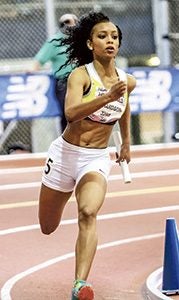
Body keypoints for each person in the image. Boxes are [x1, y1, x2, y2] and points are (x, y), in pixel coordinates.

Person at [38, 11, 136, 300]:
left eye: (114, 37)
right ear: (91, 44)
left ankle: (79, 284)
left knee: (88, 212)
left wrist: (127, 142)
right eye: (103, 36)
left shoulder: (126, 81)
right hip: (66, 154)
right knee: (47, 227)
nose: (110, 41)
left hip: (95, 159)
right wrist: (106, 96)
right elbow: (70, 114)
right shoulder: (81, 76)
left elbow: (125, 106)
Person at [32, 13, 78, 133]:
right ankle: (67, 142)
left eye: (72, 23)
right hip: (64, 83)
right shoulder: (55, 41)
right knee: (67, 113)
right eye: (66, 23)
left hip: (81, 81)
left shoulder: (81, 41)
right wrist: (32, 70)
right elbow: (39, 60)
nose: (69, 26)